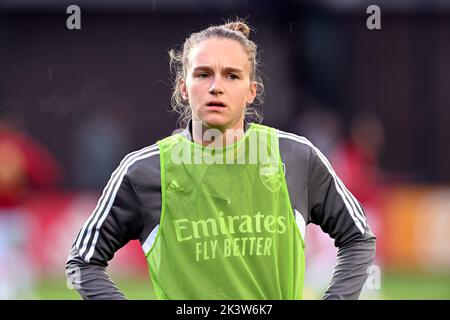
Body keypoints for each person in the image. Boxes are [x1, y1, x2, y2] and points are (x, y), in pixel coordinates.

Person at [66, 19, 376, 300]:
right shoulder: (143, 171)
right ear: (183, 87)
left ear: (251, 90)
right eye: (203, 74)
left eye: (232, 75)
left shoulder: (295, 156)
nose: (216, 86)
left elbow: (358, 238)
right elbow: (82, 263)